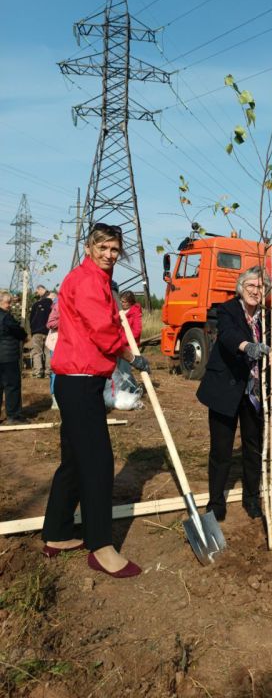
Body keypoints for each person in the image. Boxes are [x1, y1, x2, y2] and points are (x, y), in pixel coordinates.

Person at [41, 223, 150, 578]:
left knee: (74, 460)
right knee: (99, 463)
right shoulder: (87, 281)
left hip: (80, 379)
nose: (109, 254)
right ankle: (100, 546)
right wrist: (132, 357)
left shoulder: (96, 279)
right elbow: (103, 332)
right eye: (102, 247)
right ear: (89, 247)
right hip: (79, 380)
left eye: (114, 249)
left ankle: (57, 534)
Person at [196, 266, 271, 522]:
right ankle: (216, 502)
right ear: (241, 287)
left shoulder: (267, 317)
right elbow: (228, 335)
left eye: (261, 287)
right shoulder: (228, 309)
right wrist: (247, 346)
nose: (255, 291)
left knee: (253, 446)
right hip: (224, 388)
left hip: (254, 392)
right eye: (251, 285)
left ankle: (252, 498)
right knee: (221, 450)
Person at [0, 292, 27, 424]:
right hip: (7, 357)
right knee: (12, 386)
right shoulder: (6, 317)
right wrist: (24, 335)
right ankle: (13, 416)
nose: (10, 305)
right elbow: (17, 330)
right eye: (7, 302)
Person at [29, 284, 53, 378]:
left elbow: (31, 319)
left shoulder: (36, 304)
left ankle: (38, 372)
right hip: (48, 331)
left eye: (37, 291)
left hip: (37, 331)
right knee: (48, 353)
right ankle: (48, 372)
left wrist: (32, 329)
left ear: (40, 289)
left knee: (37, 352)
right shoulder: (52, 304)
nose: (37, 293)